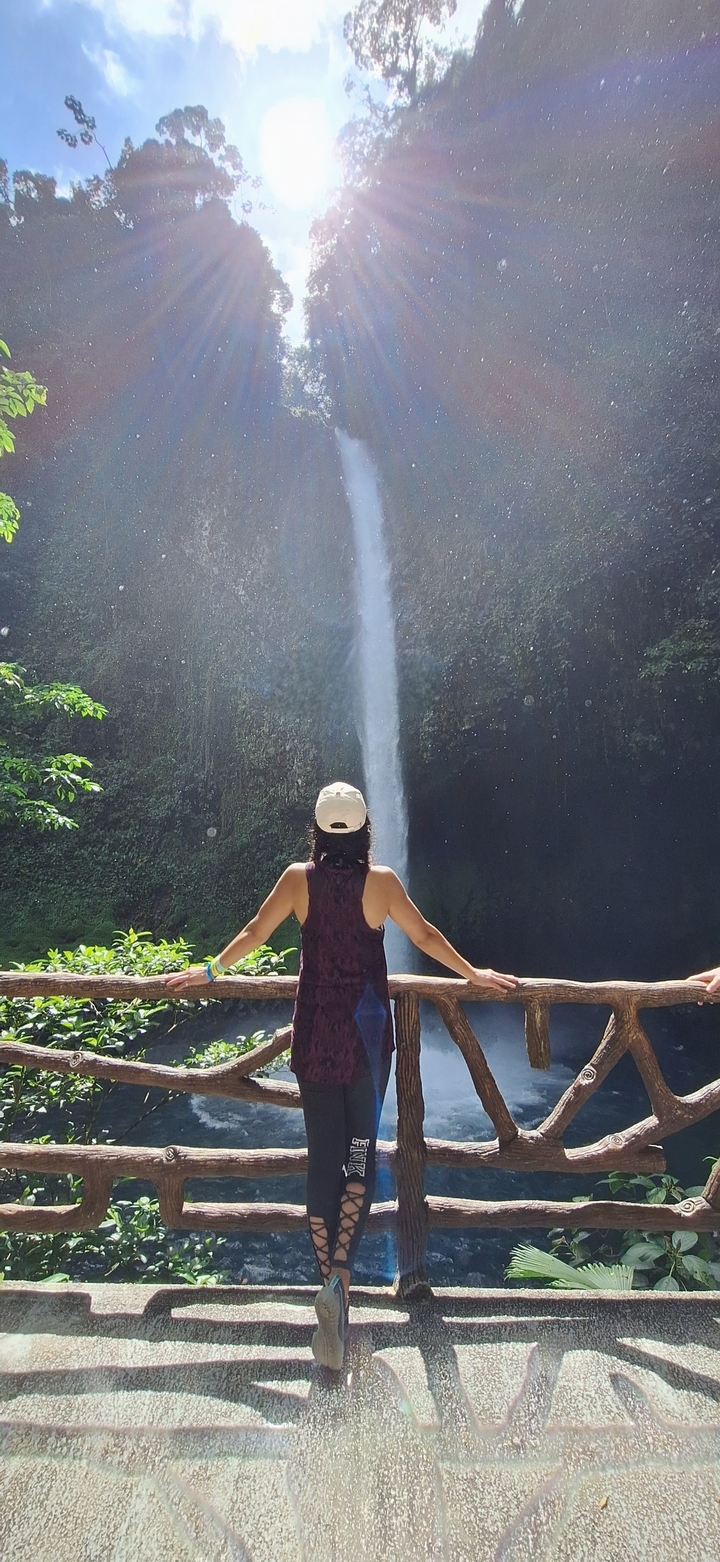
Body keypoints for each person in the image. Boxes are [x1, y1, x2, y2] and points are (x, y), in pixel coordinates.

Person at [165, 781, 517, 1371]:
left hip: (314, 1036)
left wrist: (208, 970)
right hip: (367, 1037)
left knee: (321, 1160)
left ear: (318, 831)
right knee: (359, 1156)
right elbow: (424, 936)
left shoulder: (296, 880)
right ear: (362, 831)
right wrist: (473, 973)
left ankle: (328, 1282)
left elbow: (255, 931)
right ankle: (341, 1288)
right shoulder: (379, 884)